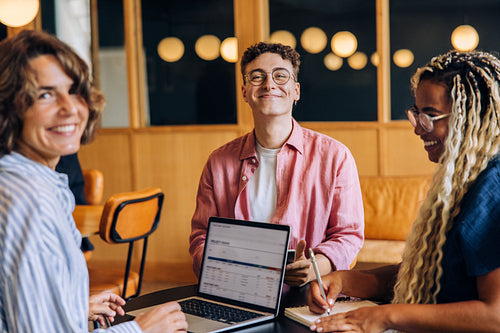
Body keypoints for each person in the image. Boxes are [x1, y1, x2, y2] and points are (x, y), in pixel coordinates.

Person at [0, 30, 187, 332]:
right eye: (45, 94)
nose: (70, 108)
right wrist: (140, 330)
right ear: (8, 107)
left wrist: (69, 306)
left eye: (74, 90)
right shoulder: (28, 199)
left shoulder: (30, 182)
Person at [308, 50, 500, 332]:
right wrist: (346, 280)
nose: (418, 129)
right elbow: (433, 273)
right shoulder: (462, 180)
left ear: (470, 116)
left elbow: (495, 315)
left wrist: (386, 316)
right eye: (416, 113)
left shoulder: (492, 189)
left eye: (430, 116)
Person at [189, 42, 364, 287]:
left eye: (280, 76)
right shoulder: (218, 163)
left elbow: (348, 236)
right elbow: (201, 237)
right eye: (257, 76)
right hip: (238, 293)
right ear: (244, 91)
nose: (269, 84)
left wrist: (315, 267)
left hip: (308, 295)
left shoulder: (336, 157)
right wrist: (222, 270)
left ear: (296, 91)